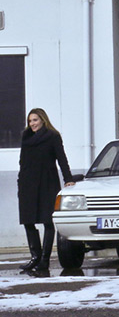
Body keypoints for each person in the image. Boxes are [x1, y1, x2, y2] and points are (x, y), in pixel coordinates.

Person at [18, 108, 75, 275]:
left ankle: (44, 260)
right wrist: (20, 181)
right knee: (28, 220)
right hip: (27, 184)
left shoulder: (52, 136)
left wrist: (68, 178)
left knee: (48, 222)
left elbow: (61, 158)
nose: (32, 124)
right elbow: (23, 161)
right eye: (30, 121)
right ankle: (34, 257)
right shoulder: (26, 137)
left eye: (35, 120)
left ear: (43, 119)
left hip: (47, 183)